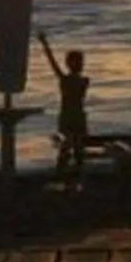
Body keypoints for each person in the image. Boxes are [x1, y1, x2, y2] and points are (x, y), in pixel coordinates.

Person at [37, 29, 89, 178]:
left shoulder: (72, 81)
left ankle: (66, 173)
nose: (80, 64)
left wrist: (44, 44)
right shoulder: (80, 81)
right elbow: (53, 63)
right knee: (72, 149)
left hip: (72, 116)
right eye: (79, 62)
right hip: (74, 116)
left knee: (72, 149)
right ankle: (69, 173)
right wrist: (45, 44)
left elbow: (53, 64)